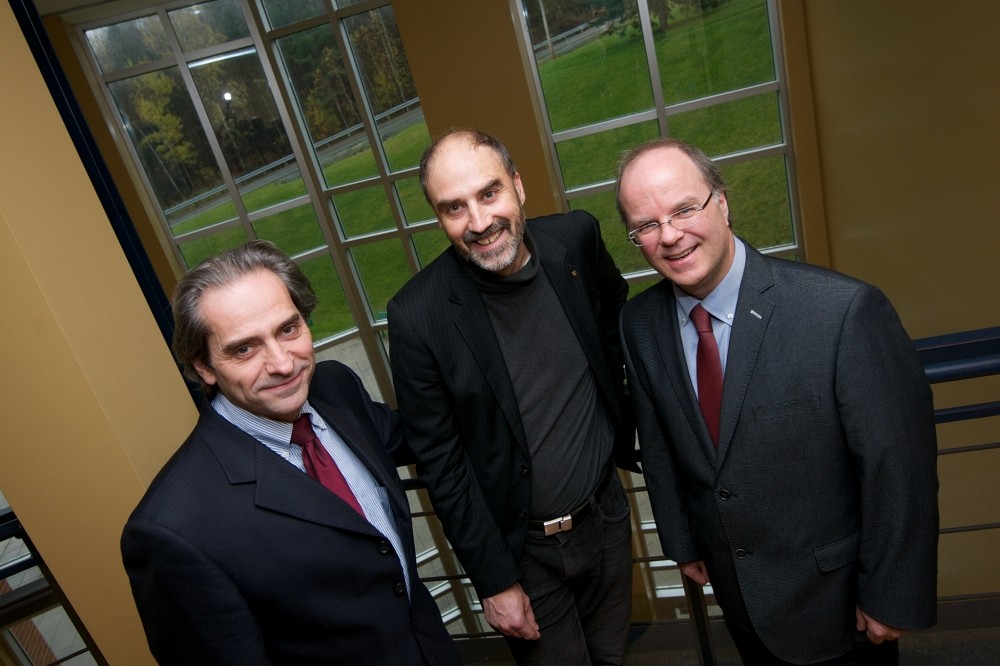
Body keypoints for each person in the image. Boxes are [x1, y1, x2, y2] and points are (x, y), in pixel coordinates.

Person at [615, 138, 938, 665]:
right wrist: (682, 541)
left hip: (836, 602)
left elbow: (897, 466)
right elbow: (658, 439)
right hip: (737, 592)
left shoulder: (840, 312)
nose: (669, 236)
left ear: (721, 201)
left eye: (683, 209)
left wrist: (891, 594)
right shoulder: (640, 324)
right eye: (646, 225)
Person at [121, 240, 460, 666]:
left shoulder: (335, 388)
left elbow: (415, 435)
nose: (283, 364)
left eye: (288, 329)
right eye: (244, 348)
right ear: (204, 366)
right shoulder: (172, 530)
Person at [387, 128, 639, 665]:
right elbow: (442, 463)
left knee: (614, 657)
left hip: (608, 515)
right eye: (454, 208)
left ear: (518, 187)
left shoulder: (575, 239)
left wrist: (624, 406)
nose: (478, 222)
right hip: (523, 552)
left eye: (489, 193)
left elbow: (617, 316)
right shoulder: (418, 316)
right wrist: (495, 580)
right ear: (438, 218)